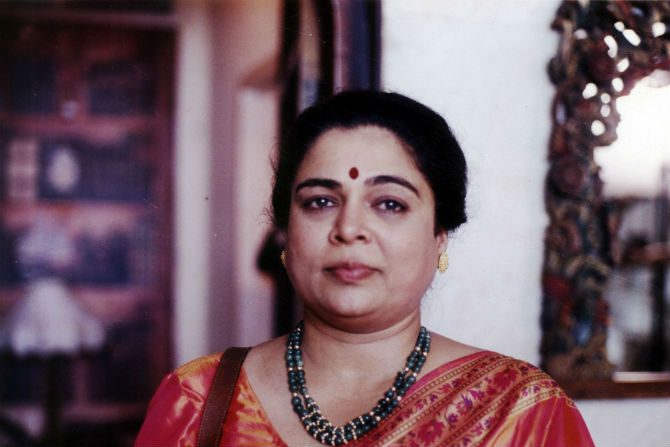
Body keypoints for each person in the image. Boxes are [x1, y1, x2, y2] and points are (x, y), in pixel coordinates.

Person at [135, 91, 594, 446]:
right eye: (320, 202)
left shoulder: (519, 413)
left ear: (439, 236)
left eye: (389, 204)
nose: (349, 229)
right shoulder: (197, 400)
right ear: (286, 232)